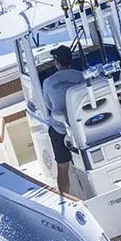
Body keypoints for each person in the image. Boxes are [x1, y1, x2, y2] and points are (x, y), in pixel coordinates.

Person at [42, 45, 84, 195]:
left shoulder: (47, 82)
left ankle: (65, 197)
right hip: (80, 126)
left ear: (56, 62)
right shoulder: (80, 76)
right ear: (70, 61)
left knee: (62, 166)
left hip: (59, 128)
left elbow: (48, 105)